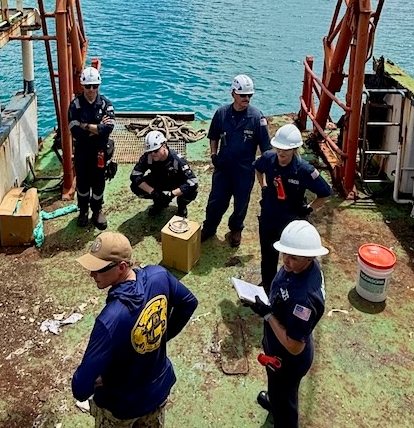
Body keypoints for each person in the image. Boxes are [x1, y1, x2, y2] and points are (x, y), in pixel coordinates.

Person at [72, 231, 198, 428]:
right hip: (155, 395)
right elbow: (188, 303)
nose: (92, 274)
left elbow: (80, 387)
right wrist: (159, 338)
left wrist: (100, 376)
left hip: (118, 405)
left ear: (122, 266)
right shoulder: (158, 277)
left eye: (100, 268)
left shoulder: (112, 318)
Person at [242, 220, 327, 428]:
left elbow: (294, 345)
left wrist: (267, 315)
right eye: (284, 255)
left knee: (286, 403)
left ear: (309, 258)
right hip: (279, 348)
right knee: (278, 393)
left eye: (294, 259)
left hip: (287, 359)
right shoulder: (302, 269)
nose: (286, 262)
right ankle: (274, 402)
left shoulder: (304, 301)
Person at [254, 123, 333, 291]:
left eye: (286, 150)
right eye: (279, 148)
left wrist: (309, 209)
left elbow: (325, 193)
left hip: (291, 221)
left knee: (291, 258)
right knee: (267, 254)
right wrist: (264, 186)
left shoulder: (304, 170)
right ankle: (267, 284)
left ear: (295, 149)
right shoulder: (268, 158)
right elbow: (258, 169)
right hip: (269, 215)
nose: (281, 153)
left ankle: (288, 287)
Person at [202, 74, 271, 247]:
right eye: (243, 95)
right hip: (223, 167)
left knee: (241, 203)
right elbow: (213, 136)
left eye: (250, 95)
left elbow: (266, 149)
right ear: (233, 93)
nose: (246, 98)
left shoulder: (256, 118)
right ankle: (209, 228)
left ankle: (236, 228)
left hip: (244, 170)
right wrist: (213, 155)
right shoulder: (222, 113)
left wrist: (266, 176)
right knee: (216, 200)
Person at [68, 65, 116, 229]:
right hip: (82, 152)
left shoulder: (105, 104)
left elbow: (108, 128)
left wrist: (86, 126)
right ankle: (83, 211)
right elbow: (75, 131)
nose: (91, 89)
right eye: (88, 86)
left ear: (98, 86)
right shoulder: (75, 105)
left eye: (94, 86)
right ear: (82, 86)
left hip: (100, 153)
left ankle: (97, 210)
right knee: (82, 184)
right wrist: (96, 129)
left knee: (98, 183)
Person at [129, 130, 199, 218]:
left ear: (164, 146)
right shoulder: (148, 157)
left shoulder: (176, 160)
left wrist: (171, 194)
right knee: (135, 186)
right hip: (157, 181)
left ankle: (182, 206)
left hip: (175, 183)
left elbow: (192, 181)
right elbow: (135, 175)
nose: (153, 154)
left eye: (156, 150)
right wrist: (153, 192)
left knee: (192, 191)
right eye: (150, 151)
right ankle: (158, 203)